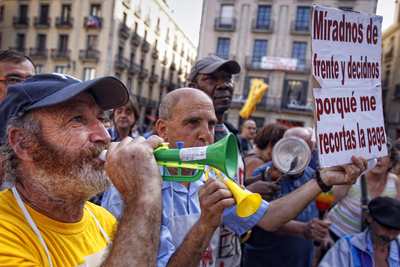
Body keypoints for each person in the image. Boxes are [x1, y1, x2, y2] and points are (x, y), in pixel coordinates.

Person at [103, 87, 366, 267]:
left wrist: (322, 180)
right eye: (192, 123)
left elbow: (270, 218)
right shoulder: (131, 185)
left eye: (210, 124)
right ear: (163, 129)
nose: (206, 134)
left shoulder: (209, 175)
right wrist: (206, 224)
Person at [0, 73, 164, 266]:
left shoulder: (103, 220)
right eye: (77, 119)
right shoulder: (6, 232)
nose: (104, 136)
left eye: (101, 118)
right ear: (24, 144)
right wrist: (143, 197)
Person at [242, 127, 331, 267]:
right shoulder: (264, 174)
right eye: (289, 147)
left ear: (312, 153)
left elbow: (319, 219)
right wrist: (303, 229)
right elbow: (261, 218)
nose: (293, 155)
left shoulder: (315, 178)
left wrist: (315, 257)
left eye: (301, 150)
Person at [325, 139, 400, 243]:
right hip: (337, 239)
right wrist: (325, 235)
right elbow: (323, 205)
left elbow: (396, 215)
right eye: (373, 154)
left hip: (369, 247)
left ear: (391, 162)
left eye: (383, 154)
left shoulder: (394, 181)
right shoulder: (352, 178)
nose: (378, 159)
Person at [319, 197, 400, 267]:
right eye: (384, 227)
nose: (390, 236)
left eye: (396, 230)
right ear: (369, 217)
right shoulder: (346, 247)